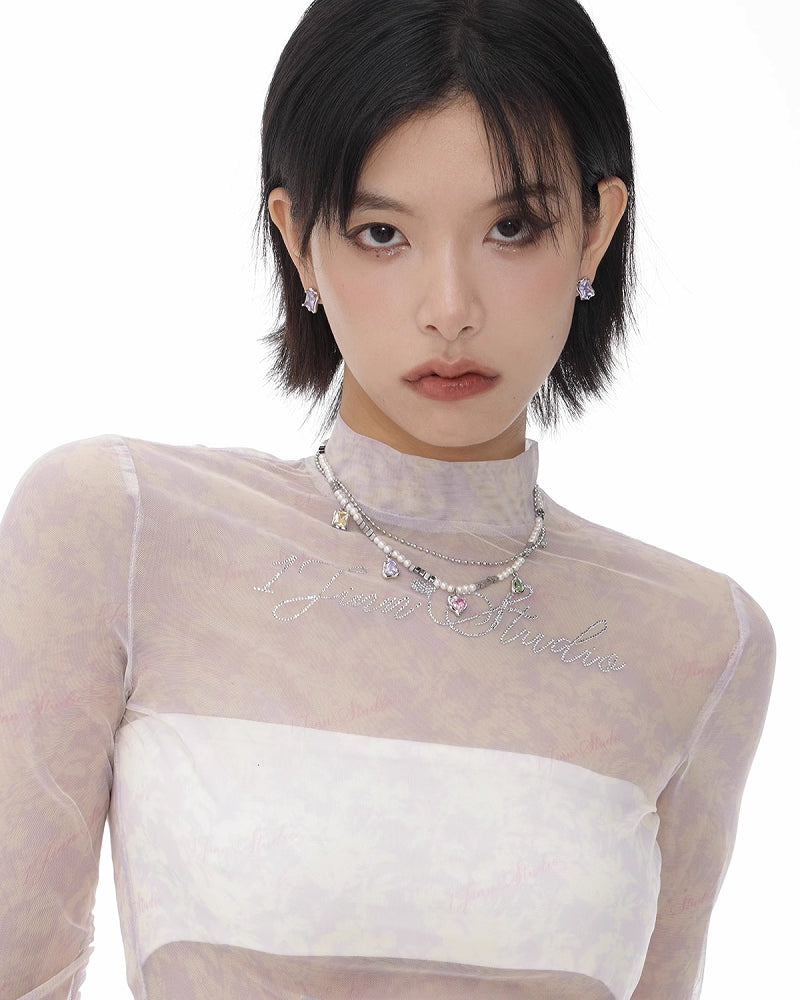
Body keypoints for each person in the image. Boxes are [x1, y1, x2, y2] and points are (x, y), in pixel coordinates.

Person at [0, 1, 775, 999]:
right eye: (381, 232)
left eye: (511, 227)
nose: (449, 308)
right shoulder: (120, 528)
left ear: (595, 230)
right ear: (298, 240)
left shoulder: (701, 641)